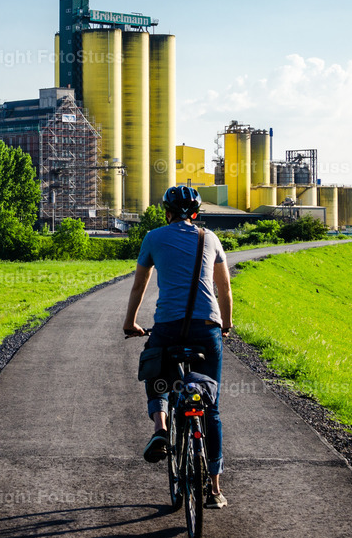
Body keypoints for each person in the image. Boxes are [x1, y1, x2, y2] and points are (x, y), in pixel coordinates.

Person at [122, 185, 233, 510]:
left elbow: (139, 285)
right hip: (207, 328)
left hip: (168, 328)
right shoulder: (209, 238)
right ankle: (214, 488)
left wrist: (131, 323)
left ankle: (161, 428)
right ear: (196, 214)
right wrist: (224, 325)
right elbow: (223, 287)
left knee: (156, 371)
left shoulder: (153, 237)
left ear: (167, 213)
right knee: (209, 406)